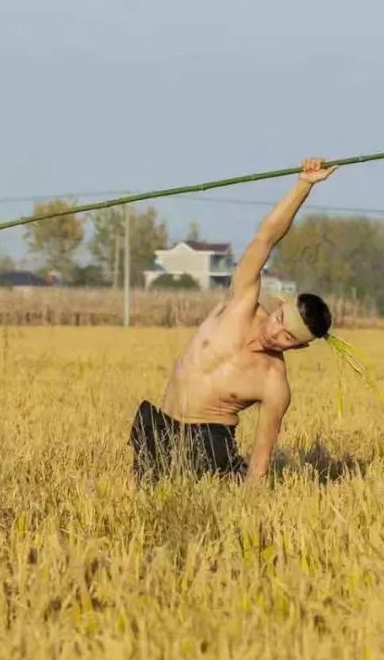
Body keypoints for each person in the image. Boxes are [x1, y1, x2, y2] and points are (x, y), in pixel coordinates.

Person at [130, 158, 338, 482]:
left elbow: (261, 456)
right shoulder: (242, 303)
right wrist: (303, 185)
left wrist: (250, 511)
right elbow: (265, 239)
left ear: (298, 347)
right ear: (280, 307)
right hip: (162, 426)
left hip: (208, 444)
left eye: (287, 338)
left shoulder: (273, 383)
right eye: (280, 319)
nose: (275, 332)